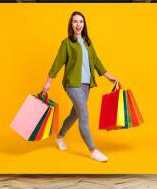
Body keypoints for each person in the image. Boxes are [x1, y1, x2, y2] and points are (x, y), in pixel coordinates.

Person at [42, 11, 118, 162]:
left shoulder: (88, 42)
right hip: (72, 84)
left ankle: (60, 136)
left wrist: (109, 77)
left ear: (84, 24)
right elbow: (57, 63)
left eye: (81, 21)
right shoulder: (67, 43)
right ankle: (93, 150)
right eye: (75, 21)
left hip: (86, 85)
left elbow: (96, 61)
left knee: (75, 114)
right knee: (84, 114)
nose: (78, 24)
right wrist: (48, 81)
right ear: (71, 24)